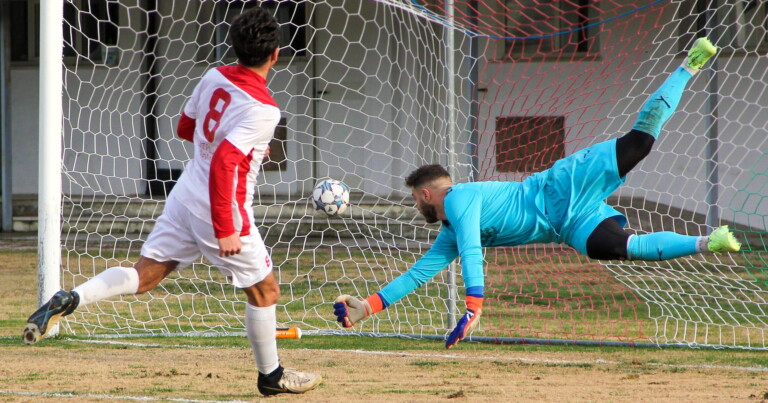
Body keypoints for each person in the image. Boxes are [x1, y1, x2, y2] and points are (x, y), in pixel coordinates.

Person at [333, 37, 741, 349]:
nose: (414, 205)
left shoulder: (457, 198)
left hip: (562, 185)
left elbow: (473, 251)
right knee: (616, 248)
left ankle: (689, 65)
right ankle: (711, 241)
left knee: (639, 143)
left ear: (425, 194)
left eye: (412, 199)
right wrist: (367, 306)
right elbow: (420, 272)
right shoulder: (450, 231)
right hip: (567, 224)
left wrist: (474, 304)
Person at [23, 7, 321, 396]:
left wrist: (241, 149)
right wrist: (226, 228)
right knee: (265, 292)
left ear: (233, 46)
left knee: (145, 275)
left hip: (185, 194)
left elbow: (185, 127)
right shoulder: (265, 109)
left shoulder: (214, 75)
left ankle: (72, 297)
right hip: (222, 206)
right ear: (276, 54)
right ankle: (271, 375)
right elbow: (224, 165)